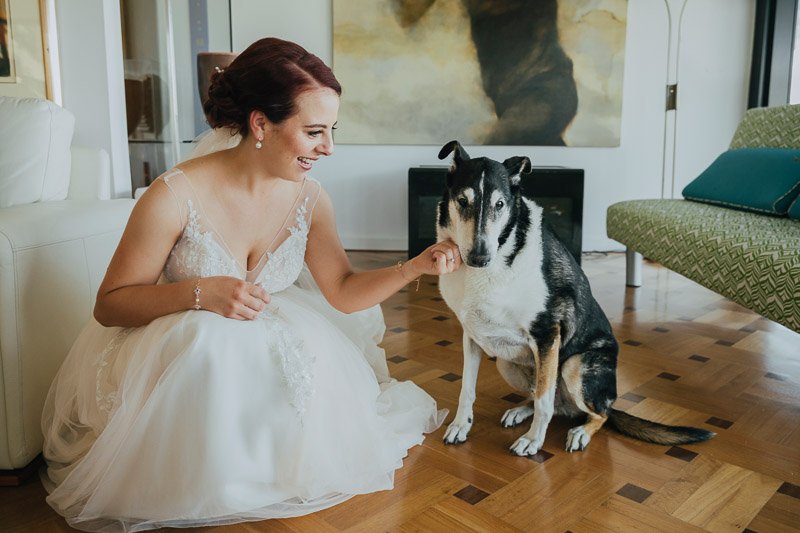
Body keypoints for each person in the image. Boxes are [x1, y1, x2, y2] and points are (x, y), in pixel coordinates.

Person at [41, 37, 462, 532]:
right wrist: (201, 293)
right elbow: (110, 305)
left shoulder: (311, 200)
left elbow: (343, 291)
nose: (329, 148)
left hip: (272, 339)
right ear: (261, 124)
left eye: (332, 131)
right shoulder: (174, 195)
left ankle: (270, 463)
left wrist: (415, 267)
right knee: (206, 340)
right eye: (314, 132)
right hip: (183, 357)